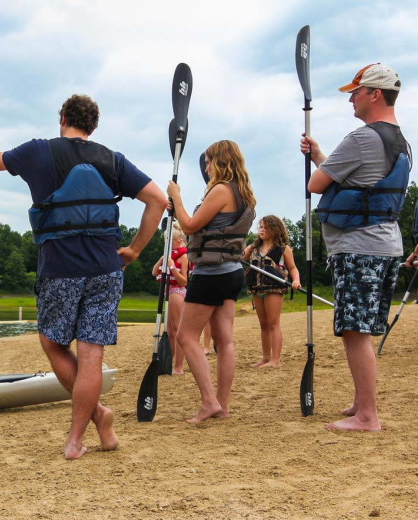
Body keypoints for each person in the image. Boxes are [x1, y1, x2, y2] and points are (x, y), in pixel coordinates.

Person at [0, 94, 167, 459]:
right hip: (106, 270)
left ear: (62, 117)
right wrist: (135, 250)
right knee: (91, 355)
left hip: (60, 271)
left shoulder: (40, 151)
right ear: (93, 126)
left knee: (53, 345)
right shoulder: (112, 159)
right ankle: (84, 433)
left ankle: (94, 421)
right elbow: (158, 200)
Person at [300, 63, 411, 432]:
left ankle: (368, 416)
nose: (351, 98)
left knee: (355, 330)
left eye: (356, 91)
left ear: (375, 94)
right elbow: (357, 178)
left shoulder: (361, 138)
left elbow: (317, 184)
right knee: (360, 327)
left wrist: (320, 162)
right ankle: (362, 403)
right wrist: (321, 154)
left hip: (359, 245)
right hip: (385, 243)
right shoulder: (399, 140)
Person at [166, 140, 256, 423]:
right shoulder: (244, 193)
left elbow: (190, 226)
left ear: (220, 160)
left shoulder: (221, 189)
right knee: (224, 341)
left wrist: (176, 198)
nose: (205, 167)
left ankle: (209, 402)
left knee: (186, 336)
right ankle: (222, 405)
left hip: (210, 274)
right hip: (231, 273)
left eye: (208, 161)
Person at [242, 216, 302, 368]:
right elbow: (239, 258)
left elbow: (293, 268)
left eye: (265, 227)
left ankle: (275, 359)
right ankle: (265, 357)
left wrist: (296, 280)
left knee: (273, 324)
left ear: (274, 230)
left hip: (274, 288)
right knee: (263, 325)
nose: (262, 230)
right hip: (257, 289)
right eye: (260, 227)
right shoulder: (253, 247)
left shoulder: (283, 249)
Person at [151, 221, 189, 374]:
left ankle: (179, 366)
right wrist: (162, 260)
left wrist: (172, 267)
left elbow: (184, 281)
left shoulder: (183, 257)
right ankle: (169, 362)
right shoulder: (167, 256)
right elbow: (154, 272)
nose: (166, 243)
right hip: (168, 292)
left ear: (179, 241)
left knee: (178, 330)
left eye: (169, 241)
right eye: (165, 240)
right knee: (171, 332)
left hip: (177, 293)